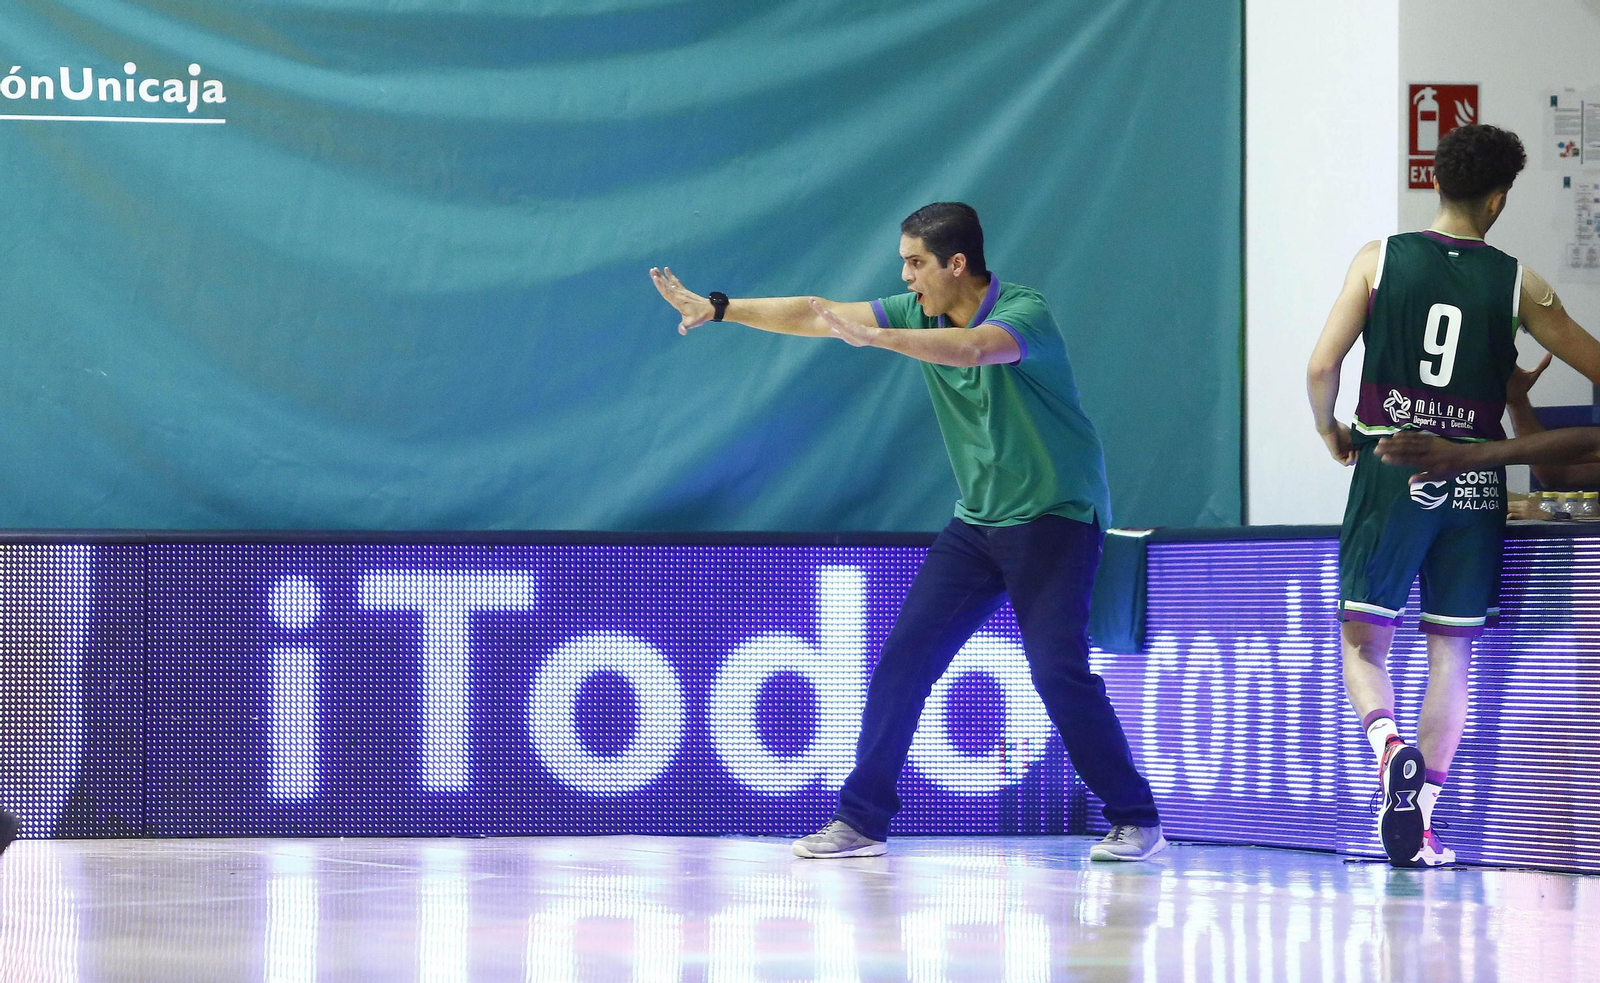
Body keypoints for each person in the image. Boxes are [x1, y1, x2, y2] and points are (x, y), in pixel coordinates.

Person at [650, 202, 1165, 861]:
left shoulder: (1024, 314)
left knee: (1056, 670)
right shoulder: (916, 310)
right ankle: (862, 820)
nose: (906, 274)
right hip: (978, 521)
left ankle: (1136, 816)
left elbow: (975, 350)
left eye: (915, 262)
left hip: (1054, 516)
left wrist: (880, 338)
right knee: (903, 661)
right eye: (903, 262)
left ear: (956, 263)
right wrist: (719, 306)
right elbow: (815, 310)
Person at [1306, 124, 1600, 867]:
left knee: (1363, 644)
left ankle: (1387, 747)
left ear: (1436, 182)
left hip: (1391, 464)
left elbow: (1320, 365)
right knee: (1451, 658)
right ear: (1499, 199)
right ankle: (1423, 819)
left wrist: (1333, 431)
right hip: (1474, 477)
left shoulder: (1380, 259)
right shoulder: (1518, 282)